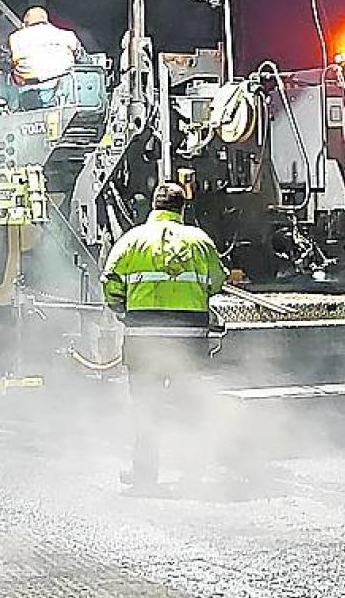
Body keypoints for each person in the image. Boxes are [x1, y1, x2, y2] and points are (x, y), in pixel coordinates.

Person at [102, 181, 227, 490]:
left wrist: (124, 311)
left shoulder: (132, 241)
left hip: (144, 342)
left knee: (146, 408)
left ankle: (145, 474)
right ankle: (192, 473)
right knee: (189, 408)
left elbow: (110, 282)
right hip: (189, 341)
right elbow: (216, 282)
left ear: (154, 207)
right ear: (182, 208)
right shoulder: (200, 242)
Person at [8, 6, 83, 110]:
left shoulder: (15, 38)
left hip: (30, 92)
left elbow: (2, 60)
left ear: (25, 23)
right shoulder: (67, 35)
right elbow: (82, 58)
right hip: (63, 92)